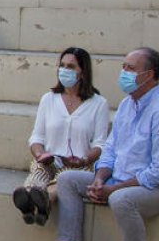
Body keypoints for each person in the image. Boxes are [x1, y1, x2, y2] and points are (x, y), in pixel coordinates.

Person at [30, 47, 159, 241]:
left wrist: (112, 189)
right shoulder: (127, 105)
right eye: (123, 66)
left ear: (149, 75)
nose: (123, 72)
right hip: (119, 180)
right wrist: (100, 178)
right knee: (69, 179)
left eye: (130, 68)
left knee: (121, 199)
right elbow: (111, 150)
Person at [12, 47, 110, 226]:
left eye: (71, 66)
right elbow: (36, 137)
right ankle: (30, 198)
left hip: (79, 164)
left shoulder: (98, 104)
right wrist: (40, 154)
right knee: (39, 172)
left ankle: (42, 201)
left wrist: (82, 159)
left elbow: (100, 144)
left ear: (82, 72)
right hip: (50, 160)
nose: (65, 70)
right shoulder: (48, 99)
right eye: (62, 65)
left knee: (65, 178)